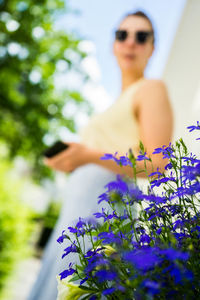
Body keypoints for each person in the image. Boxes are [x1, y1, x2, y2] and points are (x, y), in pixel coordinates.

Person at [27, 10, 173, 300]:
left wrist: (89, 155)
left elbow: (158, 164)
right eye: (122, 35)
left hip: (104, 215)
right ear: (113, 44)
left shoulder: (151, 89)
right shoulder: (115, 102)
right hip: (75, 212)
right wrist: (73, 159)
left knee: (80, 286)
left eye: (141, 36)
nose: (131, 42)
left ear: (152, 47)